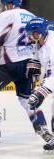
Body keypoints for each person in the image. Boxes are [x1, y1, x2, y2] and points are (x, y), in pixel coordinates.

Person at [0, 0, 53, 144]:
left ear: (9, 4)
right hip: (29, 63)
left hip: (8, 64)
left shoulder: (6, 15)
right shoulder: (31, 15)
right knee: (27, 99)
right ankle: (44, 129)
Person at [26, 17, 54, 151]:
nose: (30, 36)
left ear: (40, 31)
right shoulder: (41, 42)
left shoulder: (52, 43)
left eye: (33, 33)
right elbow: (37, 58)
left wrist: (43, 90)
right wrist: (33, 67)